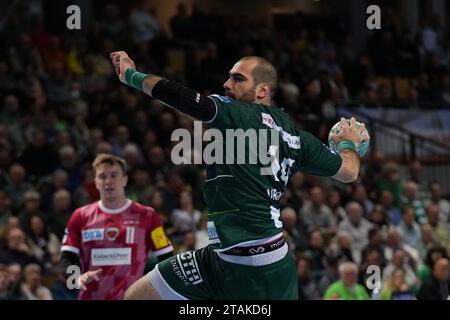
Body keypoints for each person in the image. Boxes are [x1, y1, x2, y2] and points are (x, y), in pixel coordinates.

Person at [110, 51, 369, 300]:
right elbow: (349, 171)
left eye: (238, 78)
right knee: (139, 294)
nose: (226, 84)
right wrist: (348, 144)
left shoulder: (239, 113)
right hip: (218, 259)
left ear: (262, 90)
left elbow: (187, 99)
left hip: (257, 270)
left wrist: (131, 75)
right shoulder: (298, 138)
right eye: (229, 76)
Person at [58, 154, 174, 300]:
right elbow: (66, 259)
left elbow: (167, 258)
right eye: (102, 176)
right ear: (96, 182)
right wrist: (75, 278)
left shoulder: (148, 216)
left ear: (124, 179)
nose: (108, 181)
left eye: (114, 175)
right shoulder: (80, 216)